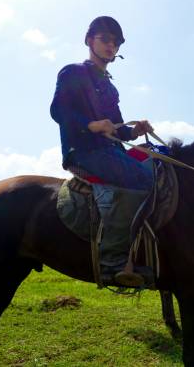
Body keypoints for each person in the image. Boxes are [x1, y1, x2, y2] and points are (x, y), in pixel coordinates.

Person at [50, 16, 154, 288]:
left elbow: (118, 129)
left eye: (116, 42)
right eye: (105, 40)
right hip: (83, 150)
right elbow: (58, 111)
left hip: (109, 150)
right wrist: (91, 124)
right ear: (89, 41)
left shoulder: (109, 86)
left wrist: (134, 131)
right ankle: (112, 263)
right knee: (142, 180)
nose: (111, 46)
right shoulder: (72, 72)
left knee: (157, 160)